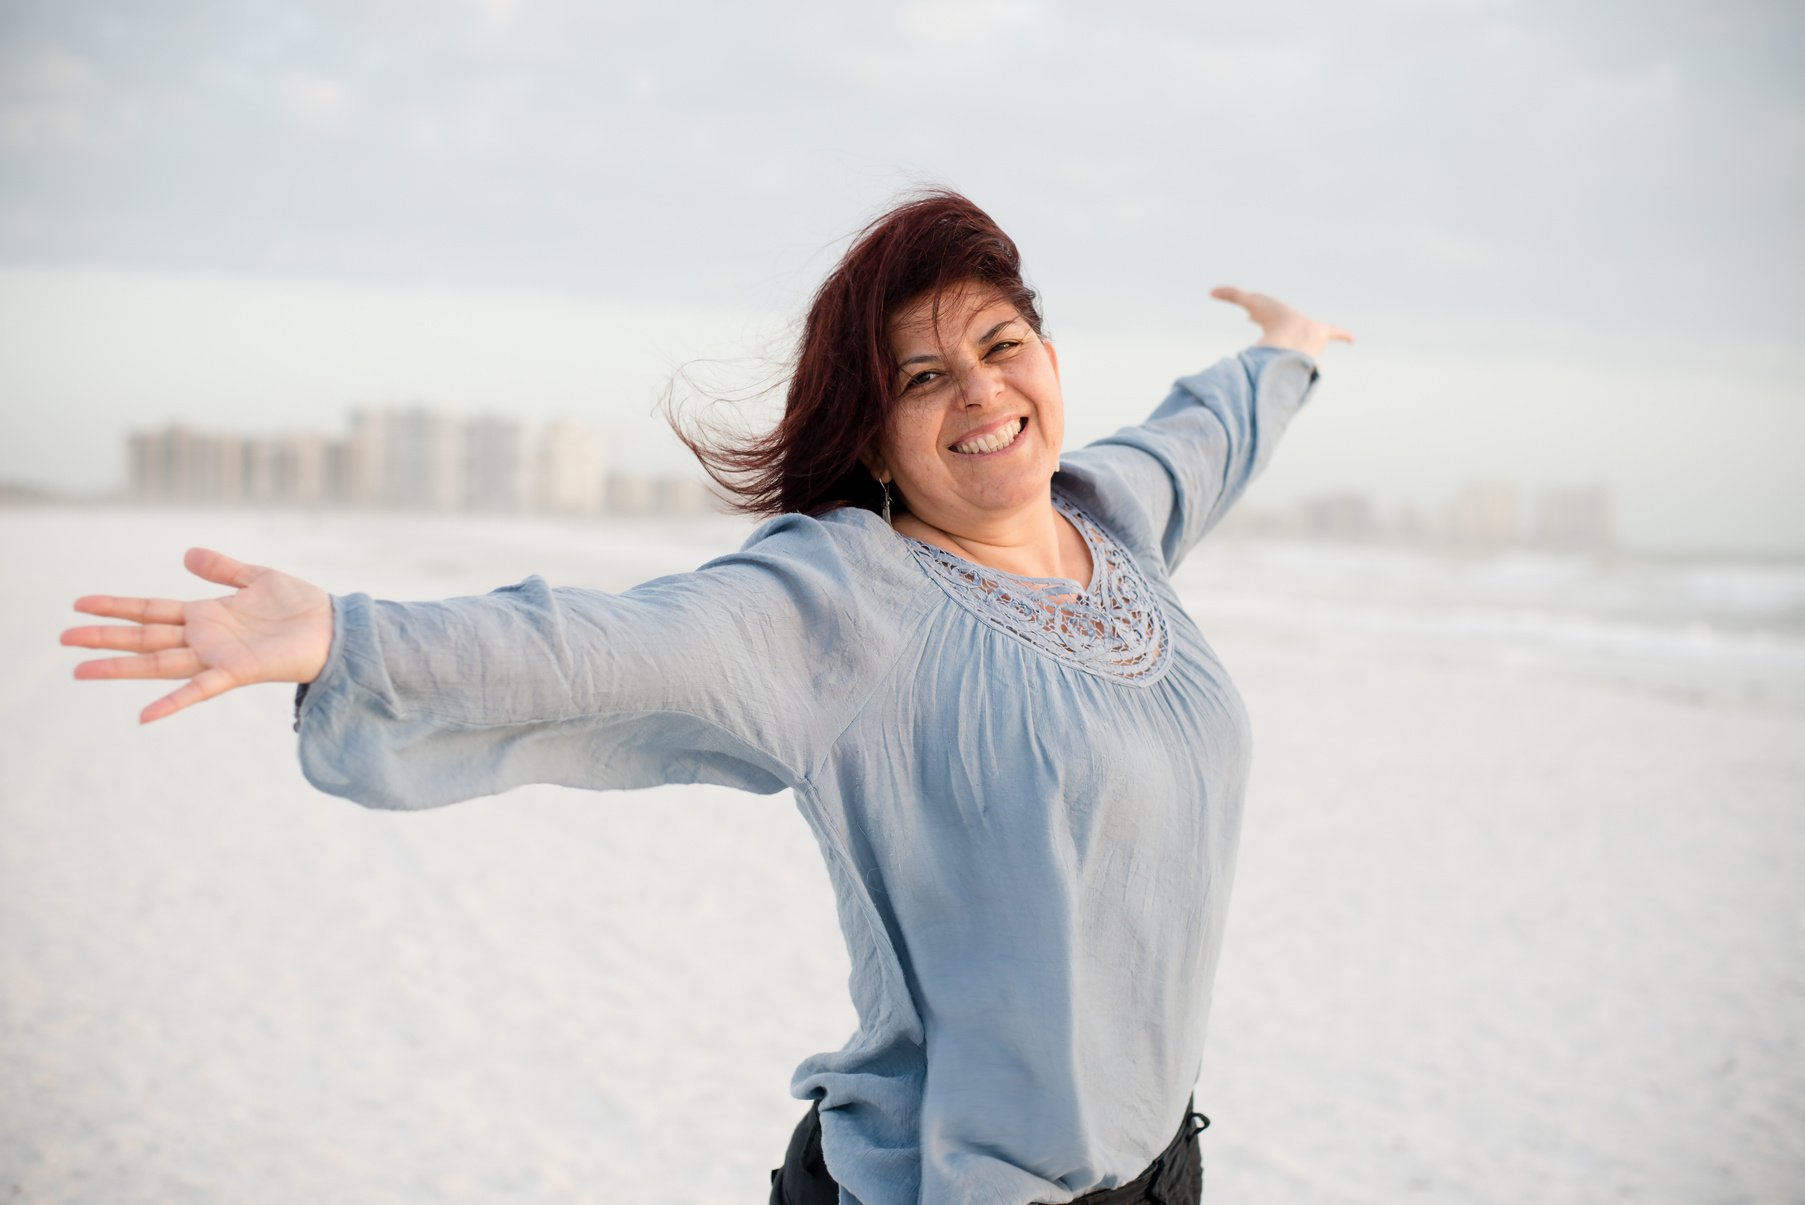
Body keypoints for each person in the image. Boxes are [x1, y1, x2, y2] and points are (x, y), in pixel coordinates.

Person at [61, 190, 1351, 1205]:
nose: (980, 395)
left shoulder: (1111, 512)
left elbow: (1211, 430)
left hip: (1163, 1165)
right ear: (874, 433)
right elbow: (607, 646)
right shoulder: (847, 602)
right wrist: (348, 636)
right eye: (920, 378)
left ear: (1047, 354)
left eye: (1001, 345)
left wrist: (1281, 354)